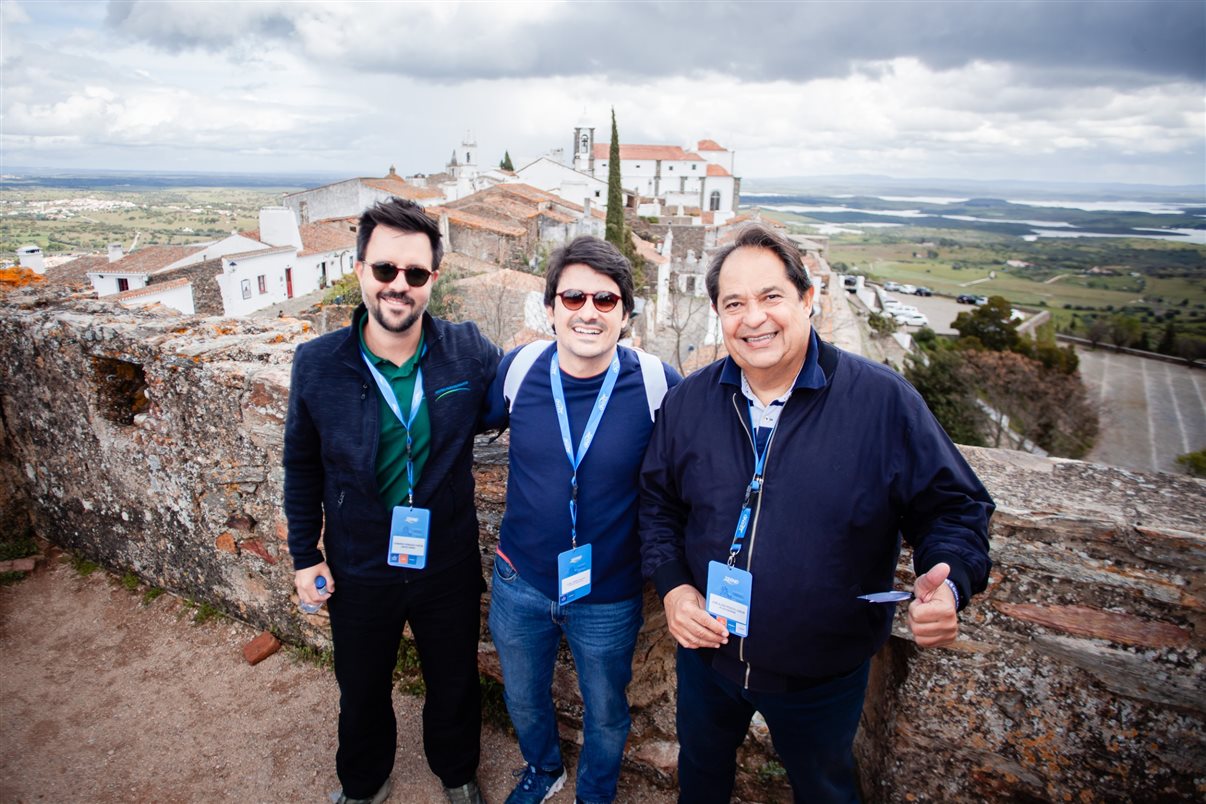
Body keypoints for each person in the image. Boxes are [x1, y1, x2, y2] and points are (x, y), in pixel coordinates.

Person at [638, 224, 993, 803]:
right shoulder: (689, 401)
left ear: (807, 298)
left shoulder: (883, 402)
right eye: (734, 303)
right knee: (700, 775)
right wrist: (675, 589)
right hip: (707, 659)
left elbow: (954, 508)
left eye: (771, 296)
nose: (754, 318)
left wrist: (952, 580)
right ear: (718, 314)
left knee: (824, 789)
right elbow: (658, 504)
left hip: (821, 673)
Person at [285, 198, 501, 804]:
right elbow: (301, 465)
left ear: (434, 277)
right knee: (361, 688)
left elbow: (531, 389)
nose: (398, 285)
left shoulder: (468, 350)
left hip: (446, 562)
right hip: (357, 564)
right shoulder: (317, 364)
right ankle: (363, 782)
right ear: (359, 270)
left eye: (414, 272)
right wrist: (305, 555)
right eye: (384, 269)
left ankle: (457, 774)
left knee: (453, 682)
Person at [482, 236, 681, 804]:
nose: (588, 312)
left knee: (607, 709)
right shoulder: (520, 368)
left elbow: (698, 466)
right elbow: (457, 423)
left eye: (605, 299)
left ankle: (595, 791)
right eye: (573, 298)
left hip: (610, 592)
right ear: (551, 309)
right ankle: (544, 769)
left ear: (625, 314)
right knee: (523, 696)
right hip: (519, 579)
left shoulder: (657, 383)